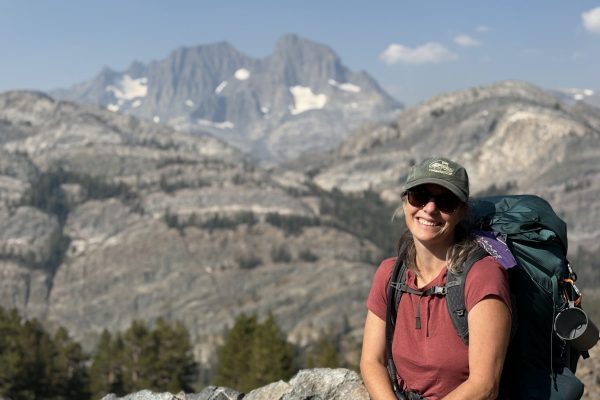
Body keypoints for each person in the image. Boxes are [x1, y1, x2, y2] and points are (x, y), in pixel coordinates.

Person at [360, 157, 512, 400]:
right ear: (405, 201)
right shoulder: (390, 275)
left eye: (446, 202)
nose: (429, 209)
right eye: (419, 196)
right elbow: (371, 361)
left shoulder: (482, 276)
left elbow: (485, 386)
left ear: (461, 211)